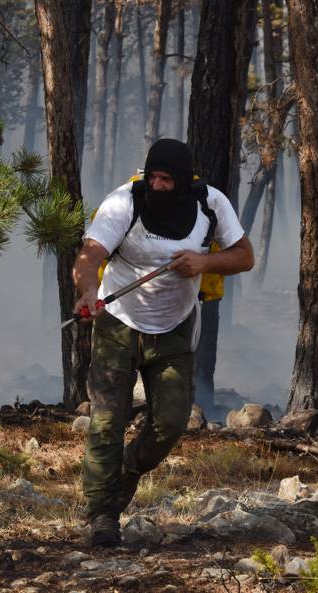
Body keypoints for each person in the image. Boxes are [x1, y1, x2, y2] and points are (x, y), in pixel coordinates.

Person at [72, 138, 254, 546]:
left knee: (170, 422)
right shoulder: (124, 202)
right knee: (106, 421)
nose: (156, 185)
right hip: (118, 324)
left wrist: (205, 262)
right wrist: (88, 292)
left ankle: (128, 468)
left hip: (173, 328)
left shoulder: (211, 204)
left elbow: (244, 256)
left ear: (184, 181)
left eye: (165, 179)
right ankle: (102, 515)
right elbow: (89, 256)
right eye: (152, 176)